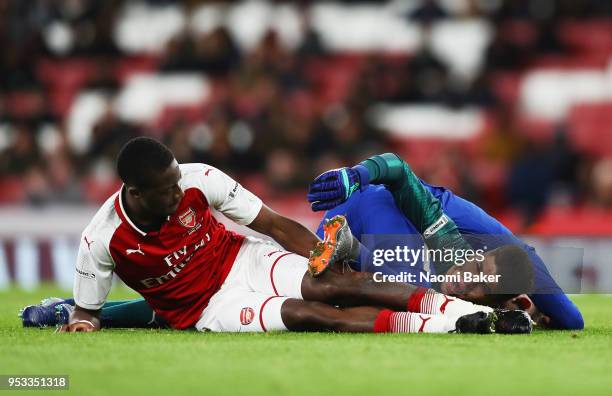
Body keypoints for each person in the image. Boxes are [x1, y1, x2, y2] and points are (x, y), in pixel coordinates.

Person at [22, 137, 531, 334]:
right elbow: (88, 316)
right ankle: (447, 326)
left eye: (179, 181)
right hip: (203, 308)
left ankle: (475, 316)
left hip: (242, 259)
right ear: (135, 191)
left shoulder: (200, 180)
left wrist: (321, 258)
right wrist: (82, 321)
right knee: (310, 315)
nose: (181, 192)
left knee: (335, 284)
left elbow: (270, 224)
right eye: (167, 189)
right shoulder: (101, 240)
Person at [307, 153, 584, 330]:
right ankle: (349, 249)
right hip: (368, 201)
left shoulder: (469, 295)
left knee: (310, 283)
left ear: (492, 302)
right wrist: (357, 175)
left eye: (480, 286)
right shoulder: (450, 242)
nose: (465, 279)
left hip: (346, 222)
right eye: (476, 268)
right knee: (413, 293)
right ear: (478, 254)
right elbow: (399, 169)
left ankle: (344, 252)